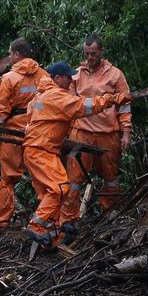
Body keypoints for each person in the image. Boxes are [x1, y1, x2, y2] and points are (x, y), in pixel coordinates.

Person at [21, 61, 131, 248]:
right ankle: (36, 227)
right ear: (57, 78)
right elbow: (83, 106)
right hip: (42, 151)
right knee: (60, 188)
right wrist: (111, 99)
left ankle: (51, 238)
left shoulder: (38, 97)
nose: (71, 81)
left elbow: (36, 124)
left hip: (36, 150)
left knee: (49, 195)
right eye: (67, 77)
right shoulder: (56, 96)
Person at [59, 35, 132, 231]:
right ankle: (68, 221)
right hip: (80, 132)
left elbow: (124, 106)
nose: (90, 57)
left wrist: (126, 132)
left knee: (110, 178)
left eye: (93, 53)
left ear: (101, 51)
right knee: (73, 180)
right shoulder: (76, 74)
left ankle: (112, 218)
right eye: (86, 54)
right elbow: (69, 103)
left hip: (108, 134)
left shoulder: (115, 74)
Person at [0, 38, 51, 227]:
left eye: (10, 54)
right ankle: (46, 220)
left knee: (7, 180)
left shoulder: (9, 79)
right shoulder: (45, 76)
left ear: (16, 55)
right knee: (41, 177)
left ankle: (2, 222)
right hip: (37, 132)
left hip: (12, 135)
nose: (9, 57)